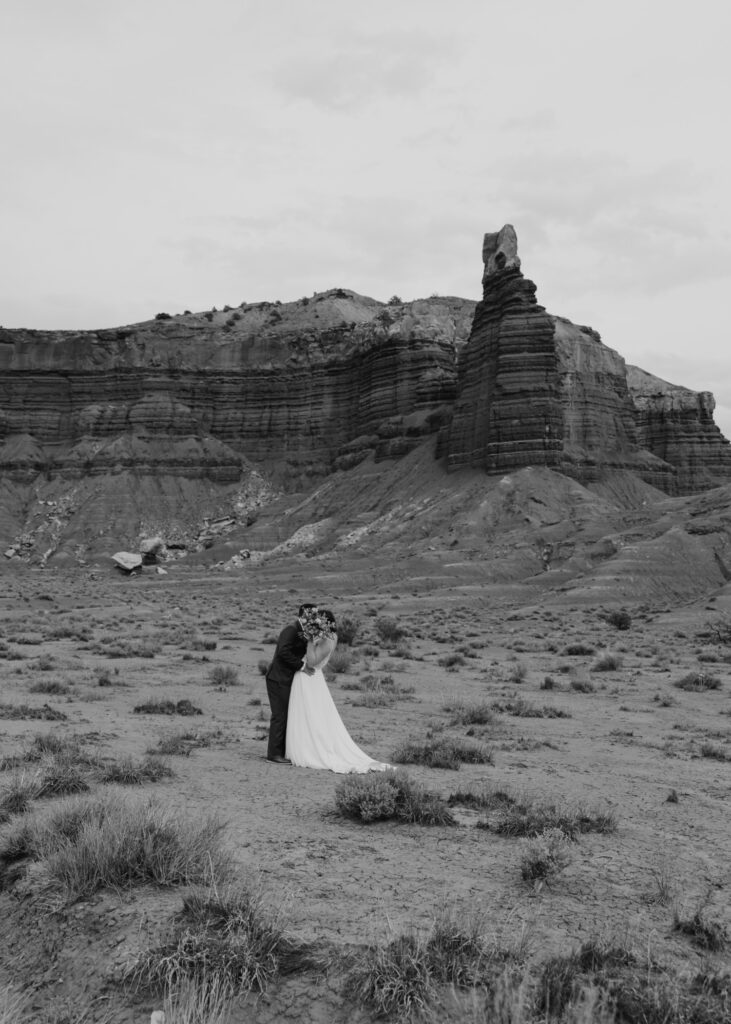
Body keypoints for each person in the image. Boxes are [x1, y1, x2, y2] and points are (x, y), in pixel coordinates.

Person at [286, 609, 390, 773]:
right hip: (311, 679)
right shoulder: (330, 637)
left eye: (317, 621)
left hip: (308, 677)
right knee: (308, 714)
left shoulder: (326, 640)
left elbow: (312, 662)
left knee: (308, 714)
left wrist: (310, 641)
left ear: (323, 623)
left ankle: (308, 749)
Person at [265, 603, 316, 765]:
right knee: (279, 716)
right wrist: (301, 666)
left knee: (286, 715)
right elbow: (283, 652)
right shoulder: (292, 630)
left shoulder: (303, 632)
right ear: (304, 615)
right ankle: (273, 755)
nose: (315, 618)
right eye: (312, 615)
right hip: (278, 677)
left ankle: (280, 751)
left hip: (286, 678)